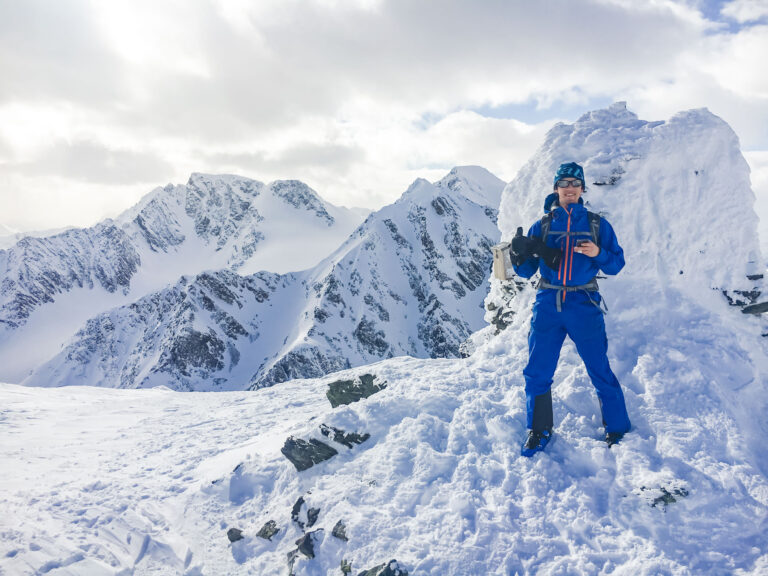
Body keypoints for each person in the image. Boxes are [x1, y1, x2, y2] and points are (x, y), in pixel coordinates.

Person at [510, 162, 631, 457]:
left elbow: (616, 264)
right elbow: (527, 271)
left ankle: (617, 429)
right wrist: (518, 254)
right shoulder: (544, 225)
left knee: (599, 368)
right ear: (556, 189)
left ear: (582, 189)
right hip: (548, 303)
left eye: (575, 183)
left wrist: (598, 252)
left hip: (583, 304)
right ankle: (539, 431)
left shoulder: (596, 225)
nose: (569, 187)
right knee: (537, 372)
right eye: (563, 183)